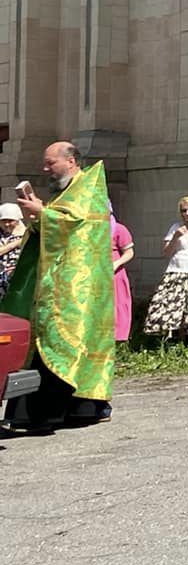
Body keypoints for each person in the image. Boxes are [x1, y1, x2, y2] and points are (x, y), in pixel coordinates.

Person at [2, 142, 117, 428]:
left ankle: (67, 411)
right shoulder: (65, 192)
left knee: (66, 344)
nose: (45, 169)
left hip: (79, 289)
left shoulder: (88, 188)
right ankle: (45, 412)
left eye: (50, 163)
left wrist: (43, 213)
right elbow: (58, 228)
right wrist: (38, 218)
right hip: (57, 284)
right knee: (49, 344)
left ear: (72, 161)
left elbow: (72, 222)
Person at [144, 197, 188, 341]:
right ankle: (168, 341)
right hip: (175, 272)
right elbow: (166, 253)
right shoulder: (175, 227)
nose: (187, 213)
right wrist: (176, 236)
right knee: (165, 307)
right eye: (184, 211)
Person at [109, 217, 136, 345]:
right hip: (94, 274)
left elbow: (129, 252)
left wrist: (116, 263)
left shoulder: (118, 229)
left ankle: (116, 339)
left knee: (117, 303)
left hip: (114, 274)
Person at [0, 203, 27, 300]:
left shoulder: (27, 234)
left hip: (17, 280)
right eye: (3, 221)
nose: (7, 224)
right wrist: (16, 243)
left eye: (10, 221)